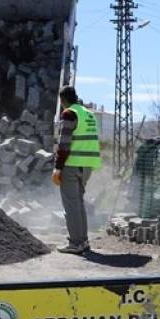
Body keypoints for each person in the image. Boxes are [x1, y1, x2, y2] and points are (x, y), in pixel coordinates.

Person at [52, 86, 102, 254]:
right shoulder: (89, 114)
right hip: (88, 165)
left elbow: (64, 143)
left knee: (71, 204)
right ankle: (83, 241)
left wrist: (58, 167)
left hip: (72, 164)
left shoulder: (69, 114)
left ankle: (75, 243)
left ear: (62, 100)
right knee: (78, 203)